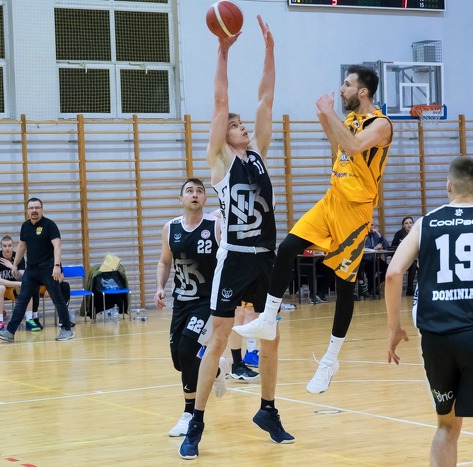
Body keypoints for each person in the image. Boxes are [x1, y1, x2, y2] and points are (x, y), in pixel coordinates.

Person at [234, 64, 393, 395]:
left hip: (355, 212)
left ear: (363, 91)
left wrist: (328, 112)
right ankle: (268, 318)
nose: (342, 89)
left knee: (344, 286)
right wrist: (325, 119)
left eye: (347, 85)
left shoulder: (381, 125)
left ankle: (330, 361)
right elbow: (340, 150)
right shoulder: (350, 121)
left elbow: (353, 147)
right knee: (288, 248)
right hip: (332, 199)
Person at [179, 16, 292, 460]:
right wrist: (223, 52)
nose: (243, 125)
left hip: (266, 258)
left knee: (271, 336)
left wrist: (269, 50)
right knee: (220, 337)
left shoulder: (258, 152)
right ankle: (196, 421)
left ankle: (268, 409)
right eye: (235, 124)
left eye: (243, 124)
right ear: (224, 134)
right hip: (235, 257)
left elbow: (267, 96)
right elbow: (220, 99)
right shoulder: (220, 162)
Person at [386, 156, 473, 465]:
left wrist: (394, 328)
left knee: (446, 427)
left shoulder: (424, 224)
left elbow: (392, 274)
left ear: (448, 185)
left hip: (434, 336)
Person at [155, 178, 231, 438]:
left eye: (200, 191)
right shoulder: (170, 228)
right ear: (181, 199)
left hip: (207, 302)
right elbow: (165, 261)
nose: (195, 194)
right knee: (179, 361)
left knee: (187, 350)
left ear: (205, 199)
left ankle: (189, 415)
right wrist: (159, 287)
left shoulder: (216, 225)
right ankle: (217, 368)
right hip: (181, 302)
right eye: (189, 191)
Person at [0, 198, 73, 342]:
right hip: (31, 270)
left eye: (37, 207)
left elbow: (57, 246)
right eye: (31, 208)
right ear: (27, 210)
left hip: (48, 269)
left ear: (42, 209)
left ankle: (67, 329)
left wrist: (57, 266)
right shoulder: (25, 226)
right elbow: (22, 246)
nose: (34, 210)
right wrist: (15, 265)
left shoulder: (50, 225)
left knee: (57, 299)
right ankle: (10, 332)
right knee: (22, 300)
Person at [359, 224, 389, 297]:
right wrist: (374, 248)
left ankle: (374, 286)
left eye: (373, 226)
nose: (371, 227)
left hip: (376, 259)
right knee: (371, 271)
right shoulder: (362, 235)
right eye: (370, 225)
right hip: (366, 260)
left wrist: (380, 236)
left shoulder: (376, 235)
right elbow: (363, 249)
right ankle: (372, 288)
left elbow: (386, 246)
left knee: (388, 270)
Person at [390, 216, 417, 296]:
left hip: (414, 258)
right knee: (413, 265)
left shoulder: (417, 233)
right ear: (403, 226)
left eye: (410, 223)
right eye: (406, 223)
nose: (409, 225)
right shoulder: (399, 234)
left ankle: (411, 288)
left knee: (416, 265)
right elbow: (392, 247)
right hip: (401, 259)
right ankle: (405, 288)